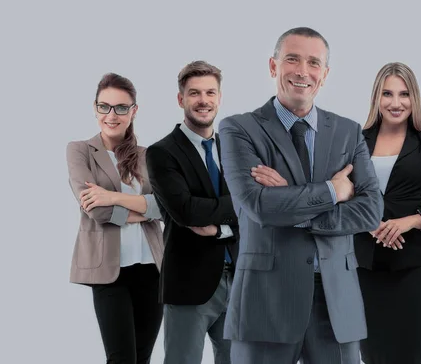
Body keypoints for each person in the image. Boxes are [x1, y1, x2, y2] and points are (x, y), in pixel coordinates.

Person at [217, 27, 384, 364]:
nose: (302, 71)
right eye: (292, 59)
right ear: (273, 66)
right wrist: (332, 191)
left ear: (325, 74)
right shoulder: (238, 129)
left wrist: (292, 204)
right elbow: (261, 206)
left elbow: (370, 212)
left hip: (336, 303)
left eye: (313, 62)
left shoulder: (348, 131)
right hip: (265, 303)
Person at [353, 62, 421, 364]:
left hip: (413, 269)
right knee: (371, 355)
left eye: (404, 94)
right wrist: (371, 223)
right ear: (376, 97)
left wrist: (411, 221)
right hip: (364, 267)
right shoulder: (355, 140)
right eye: (387, 93)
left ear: (414, 98)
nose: (396, 103)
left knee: (409, 355)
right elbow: (341, 198)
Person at [66, 72, 164, 364]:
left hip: (152, 269)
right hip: (110, 272)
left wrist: (114, 197)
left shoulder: (148, 155)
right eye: (105, 106)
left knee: (142, 358)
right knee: (121, 359)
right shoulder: (80, 150)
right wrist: (144, 210)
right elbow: (96, 211)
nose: (112, 115)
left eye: (122, 107)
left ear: (133, 111)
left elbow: (166, 208)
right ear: (95, 108)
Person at [145, 60, 239, 364]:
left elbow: (258, 209)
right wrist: (240, 202)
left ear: (219, 98)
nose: (203, 101)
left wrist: (219, 228)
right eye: (195, 93)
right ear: (180, 99)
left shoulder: (233, 149)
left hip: (238, 280)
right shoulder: (162, 152)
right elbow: (186, 212)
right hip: (189, 284)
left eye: (210, 92)